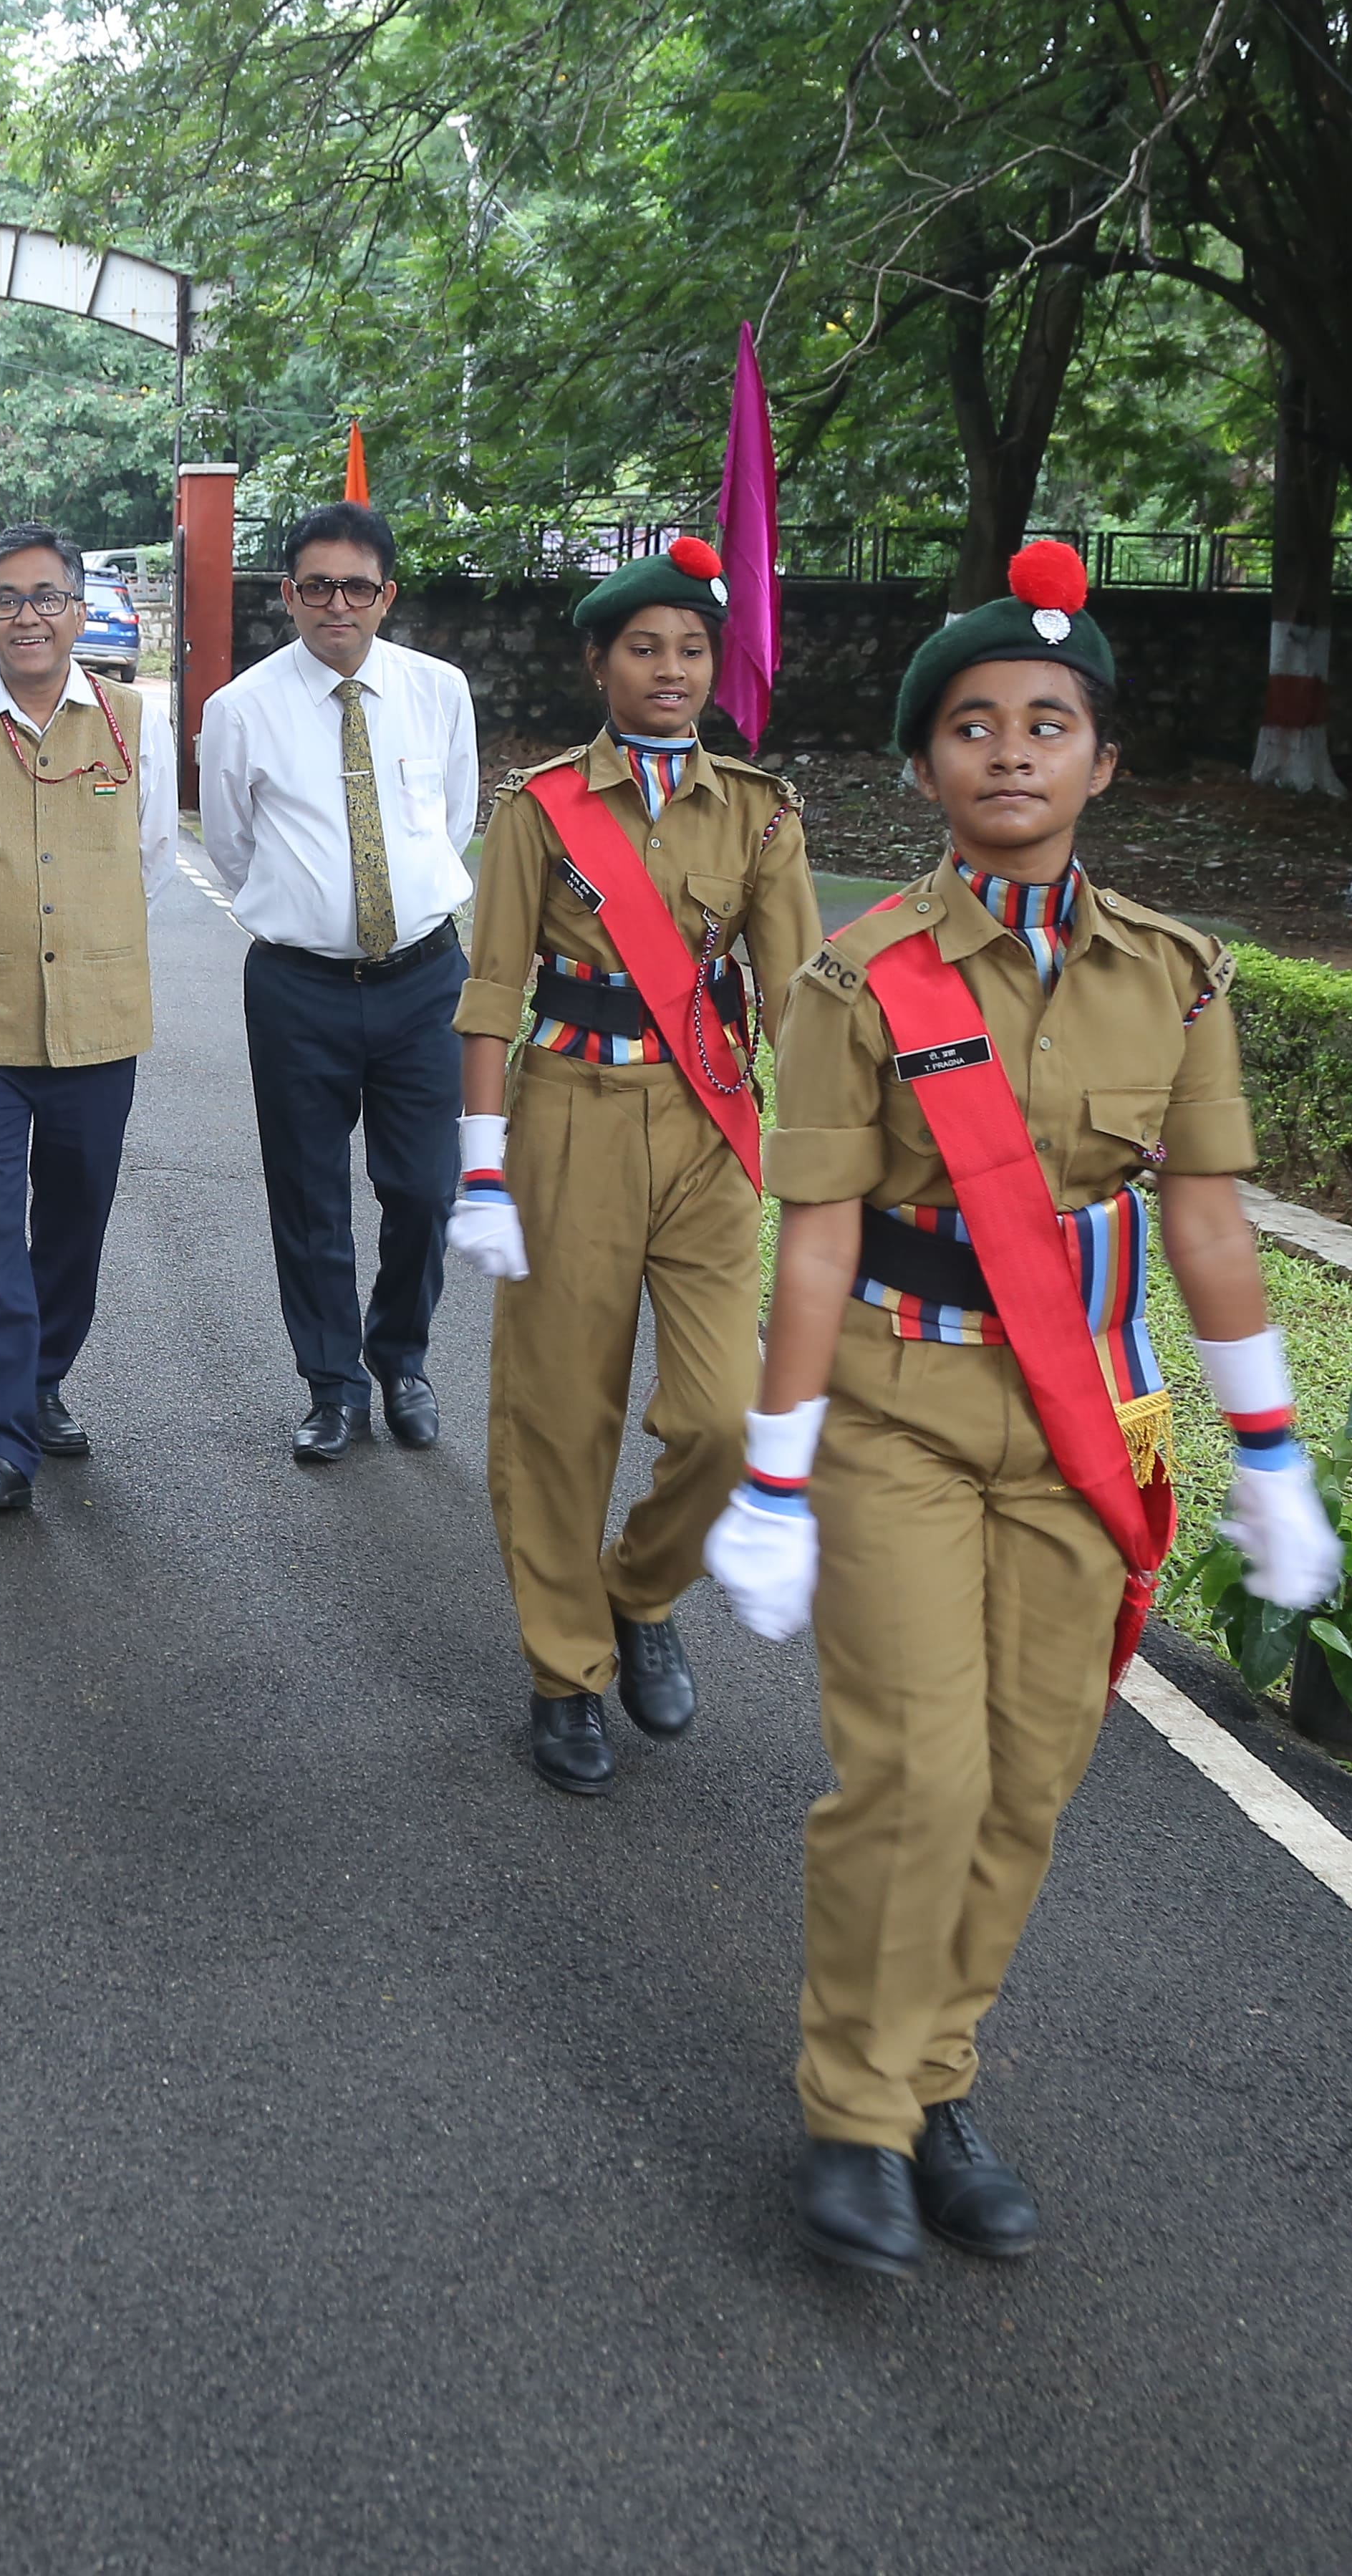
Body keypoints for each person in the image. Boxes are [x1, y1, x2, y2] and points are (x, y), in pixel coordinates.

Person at [701, 541, 1343, 2281]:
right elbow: (816, 1235)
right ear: (921, 768)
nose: (1007, 750)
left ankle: (932, 2079)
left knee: (1025, 1783)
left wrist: (1267, 1455)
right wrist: (770, 1472)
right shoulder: (856, 978)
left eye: (1045, 723)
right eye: (969, 724)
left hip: (1087, 1428)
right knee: (911, 1769)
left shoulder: (1174, 974)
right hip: (897, 1411)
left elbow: (1200, 1225)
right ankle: (851, 2112)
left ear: (1098, 761)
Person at [449, 538, 820, 1796]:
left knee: (725, 1416)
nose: (671, 670)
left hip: (710, 1126)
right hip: (565, 1118)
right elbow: (493, 988)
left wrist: (827, 1160)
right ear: (600, 663)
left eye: (693, 650)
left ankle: (639, 1590)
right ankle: (565, 1668)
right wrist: (483, 1164)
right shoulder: (540, 807)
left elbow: (798, 998)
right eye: (645, 648)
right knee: (561, 1414)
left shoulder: (762, 813)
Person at [0, 521, 175, 1512]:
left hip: (100, 1020)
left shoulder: (135, 721)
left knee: (74, 1222)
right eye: (8, 599)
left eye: (47, 597)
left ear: (79, 610)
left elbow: (149, 862)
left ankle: (44, 1375)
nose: (29, 615)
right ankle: (1, 1439)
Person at [197, 503, 478, 1464]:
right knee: (310, 1196)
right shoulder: (239, 710)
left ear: (385, 595)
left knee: (425, 1188)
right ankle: (333, 1384)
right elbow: (233, 848)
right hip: (298, 989)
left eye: (357, 586)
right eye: (315, 585)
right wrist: (307, 910)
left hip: (425, 982)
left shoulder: (439, 691)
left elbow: (456, 821)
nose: (337, 604)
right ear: (288, 595)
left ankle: (402, 1358)